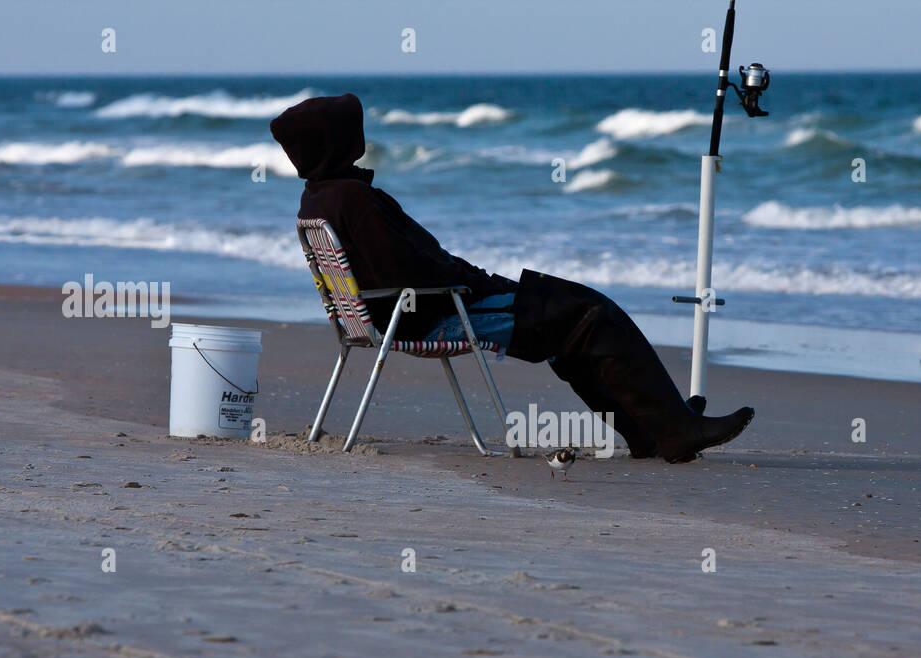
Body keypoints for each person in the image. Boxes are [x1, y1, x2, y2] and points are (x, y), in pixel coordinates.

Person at [270, 93, 753, 463]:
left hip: (403, 312)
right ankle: (670, 431)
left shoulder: (318, 198)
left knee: (569, 321)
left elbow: (407, 265)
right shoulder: (353, 199)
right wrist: (479, 283)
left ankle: (653, 430)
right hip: (435, 314)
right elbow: (412, 271)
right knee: (588, 315)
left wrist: (473, 279)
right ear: (333, 142)